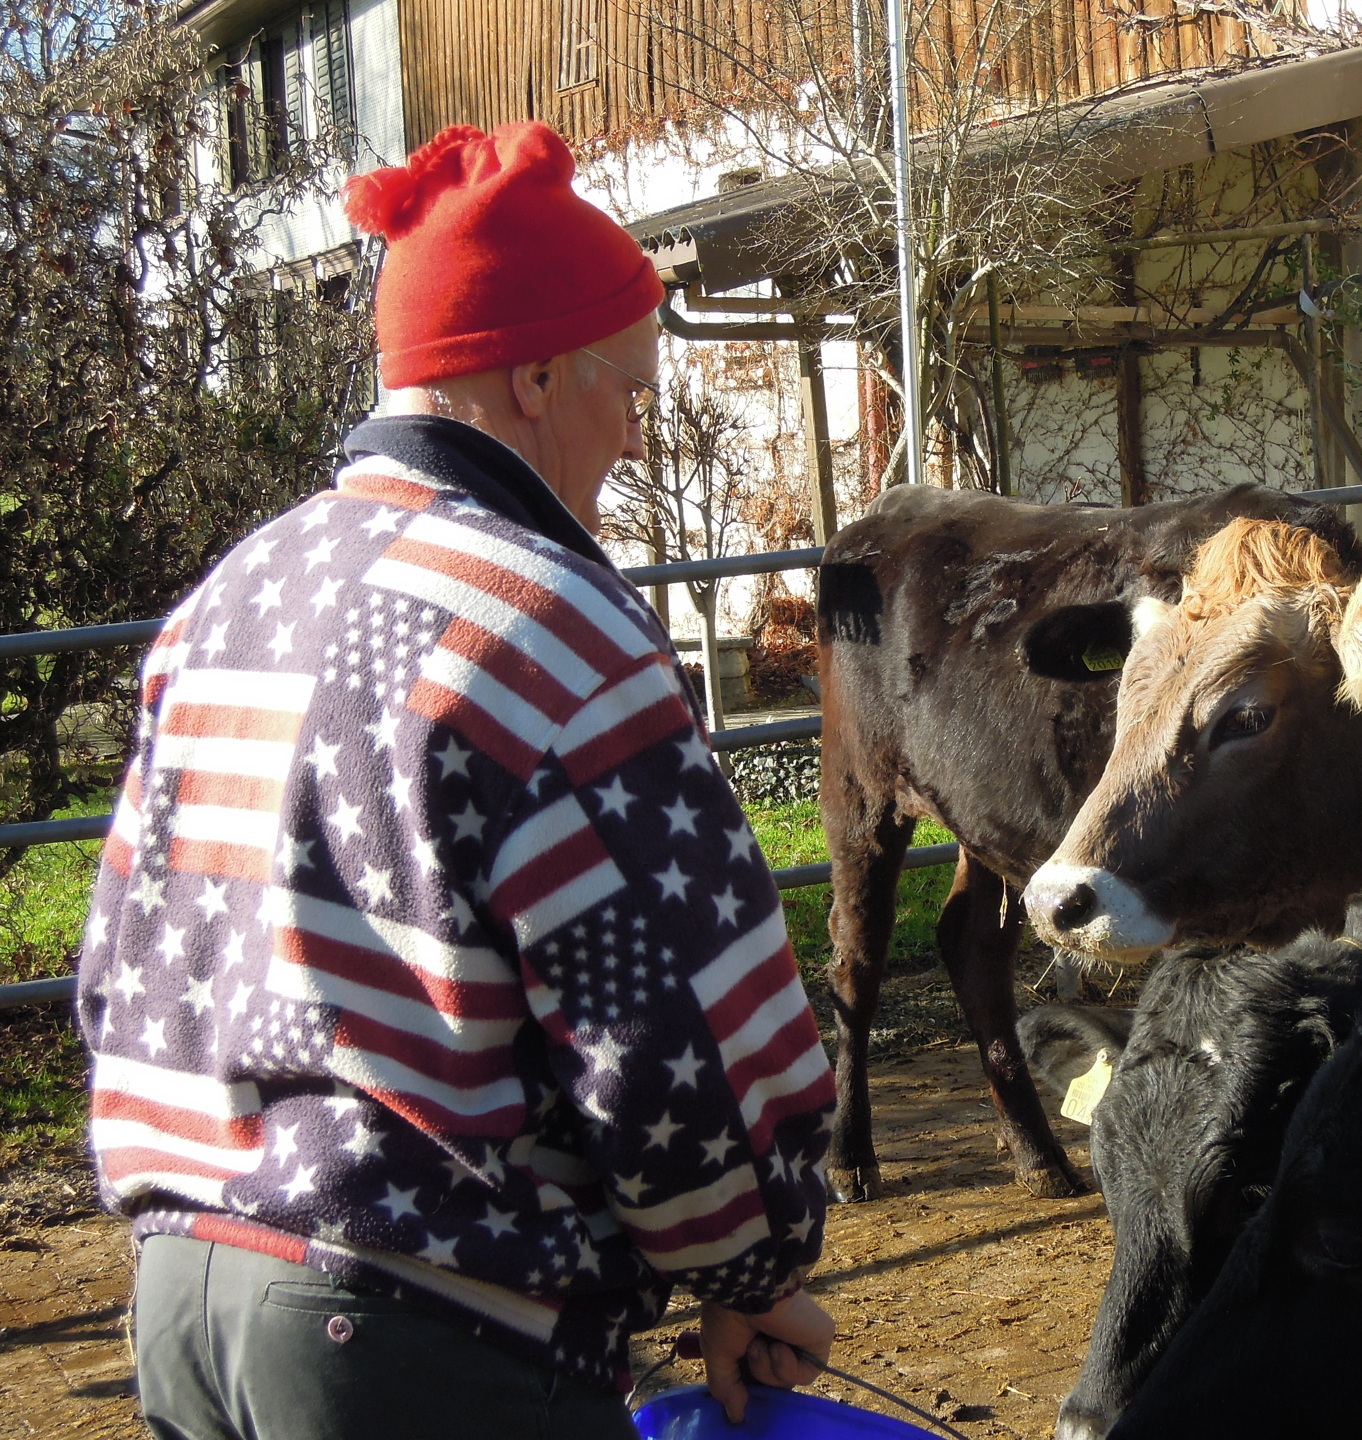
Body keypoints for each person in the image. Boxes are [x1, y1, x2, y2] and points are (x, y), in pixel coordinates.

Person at [74, 120, 836, 1440]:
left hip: (184, 1302)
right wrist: (747, 1266)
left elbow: (113, 972)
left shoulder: (229, 599)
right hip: (415, 1338)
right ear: (535, 376)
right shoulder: (546, 626)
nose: (639, 441)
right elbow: (672, 1021)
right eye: (631, 391)